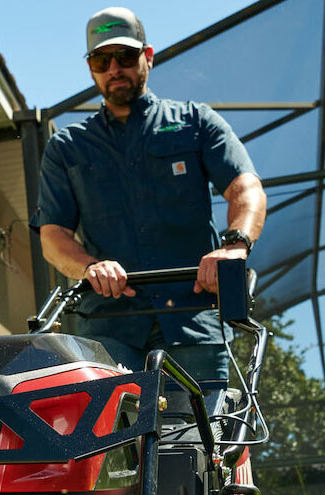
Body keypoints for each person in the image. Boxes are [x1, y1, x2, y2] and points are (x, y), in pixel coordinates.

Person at [29, 6, 266, 384]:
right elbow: (53, 237)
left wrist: (234, 245)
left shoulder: (195, 122)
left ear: (148, 57)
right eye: (101, 60)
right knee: (108, 440)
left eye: (124, 57)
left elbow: (245, 186)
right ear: (90, 67)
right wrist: (90, 267)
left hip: (193, 323)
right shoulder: (67, 147)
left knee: (195, 439)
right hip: (108, 331)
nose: (113, 69)